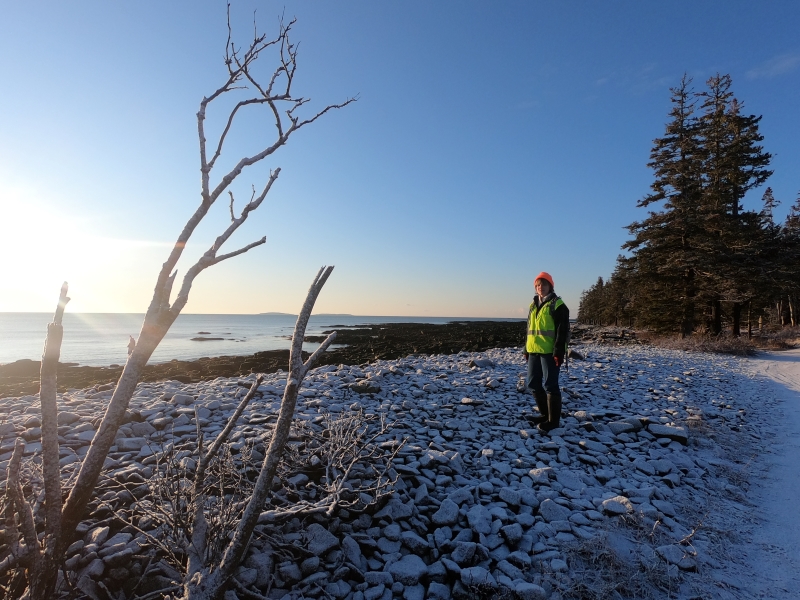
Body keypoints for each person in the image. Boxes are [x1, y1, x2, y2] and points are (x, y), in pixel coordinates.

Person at [523, 272, 570, 433]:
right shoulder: (533, 304)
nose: (540, 287)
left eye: (543, 284)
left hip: (550, 352)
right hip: (534, 350)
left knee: (551, 385)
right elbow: (529, 328)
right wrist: (526, 349)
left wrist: (559, 352)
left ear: (550, 286)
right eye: (537, 285)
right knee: (533, 384)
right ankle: (545, 414)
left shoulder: (558, 305)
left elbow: (562, 331)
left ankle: (553, 421)